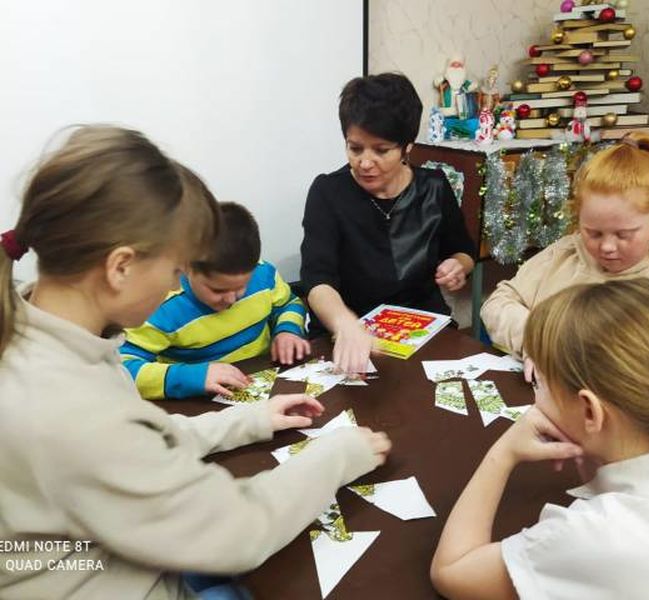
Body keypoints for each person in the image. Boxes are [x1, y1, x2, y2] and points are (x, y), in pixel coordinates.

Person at [0, 125, 391, 599]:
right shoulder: (68, 406)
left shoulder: (43, 331)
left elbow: (137, 445)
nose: (173, 286)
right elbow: (238, 531)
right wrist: (337, 455)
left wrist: (247, 420)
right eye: (174, 270)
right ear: (120, 266)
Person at [432, 278, 649, 599]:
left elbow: (453, 571)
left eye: (538, 384)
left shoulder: (599, 535)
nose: (534, 397)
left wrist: (502, 453)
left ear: (589, 411)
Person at [481, 132, 649, 361]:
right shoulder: (566, 253)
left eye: (624, 234)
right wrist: (539, 342)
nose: (607, 247)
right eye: (593, 233)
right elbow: (498, 303)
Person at [300, 72, 476, 373]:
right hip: (346, 333)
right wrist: (346, 325)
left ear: (407, 146)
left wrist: (459, 266)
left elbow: (462, 250)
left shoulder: (433, 186)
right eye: (355, 148)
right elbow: (317, 281)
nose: (365, 163)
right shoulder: (328, 192)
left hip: (422, 328)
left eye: (381, 150)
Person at [121, 201, 310, 400]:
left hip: (265, 382)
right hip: (198, 404)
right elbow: (121, 369)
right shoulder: (161, 306)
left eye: (240, 287)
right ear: (186, 267)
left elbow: (288, 304)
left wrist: (287, 331)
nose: (231, 299)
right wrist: (192, 377)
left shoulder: (262, 275)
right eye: (218, 289)